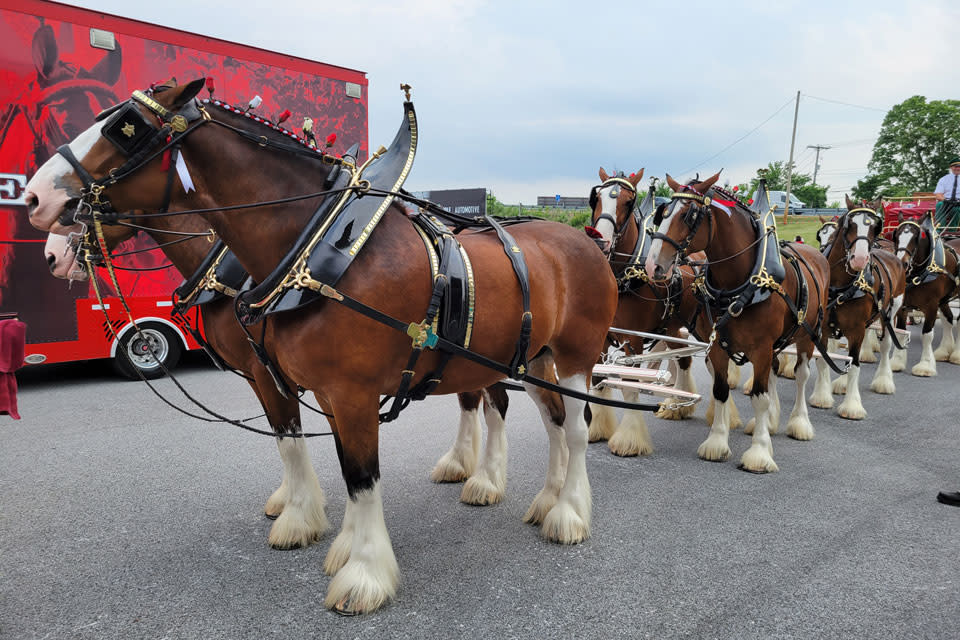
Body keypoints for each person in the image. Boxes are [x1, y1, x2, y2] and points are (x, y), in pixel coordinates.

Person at [933, 157, 960, 233]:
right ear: (951, 167)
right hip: (946, 202)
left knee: (957, 209)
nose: (958, 168)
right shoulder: (943, 179)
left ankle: (953, 231)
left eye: (959, 167)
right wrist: (946, 201)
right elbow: (938, 195)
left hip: (959, 203)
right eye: (955, 166)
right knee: (940, 204)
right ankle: (939, 230)